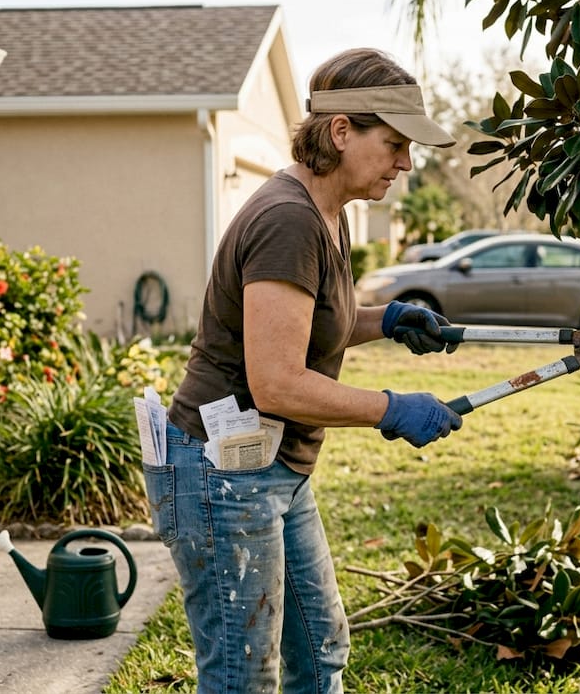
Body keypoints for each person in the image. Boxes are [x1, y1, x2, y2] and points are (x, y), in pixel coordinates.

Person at [144, 48, 463, 693]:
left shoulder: (327, 210)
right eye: (395, 144)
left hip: (275, 469)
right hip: (222, 473)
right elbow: (277, 382)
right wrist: (390, 408)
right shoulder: (288, 219)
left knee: (320, 652)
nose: (405, 163)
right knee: (243, 677)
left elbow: (307, 319)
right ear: (341, 131)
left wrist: (389, 318)